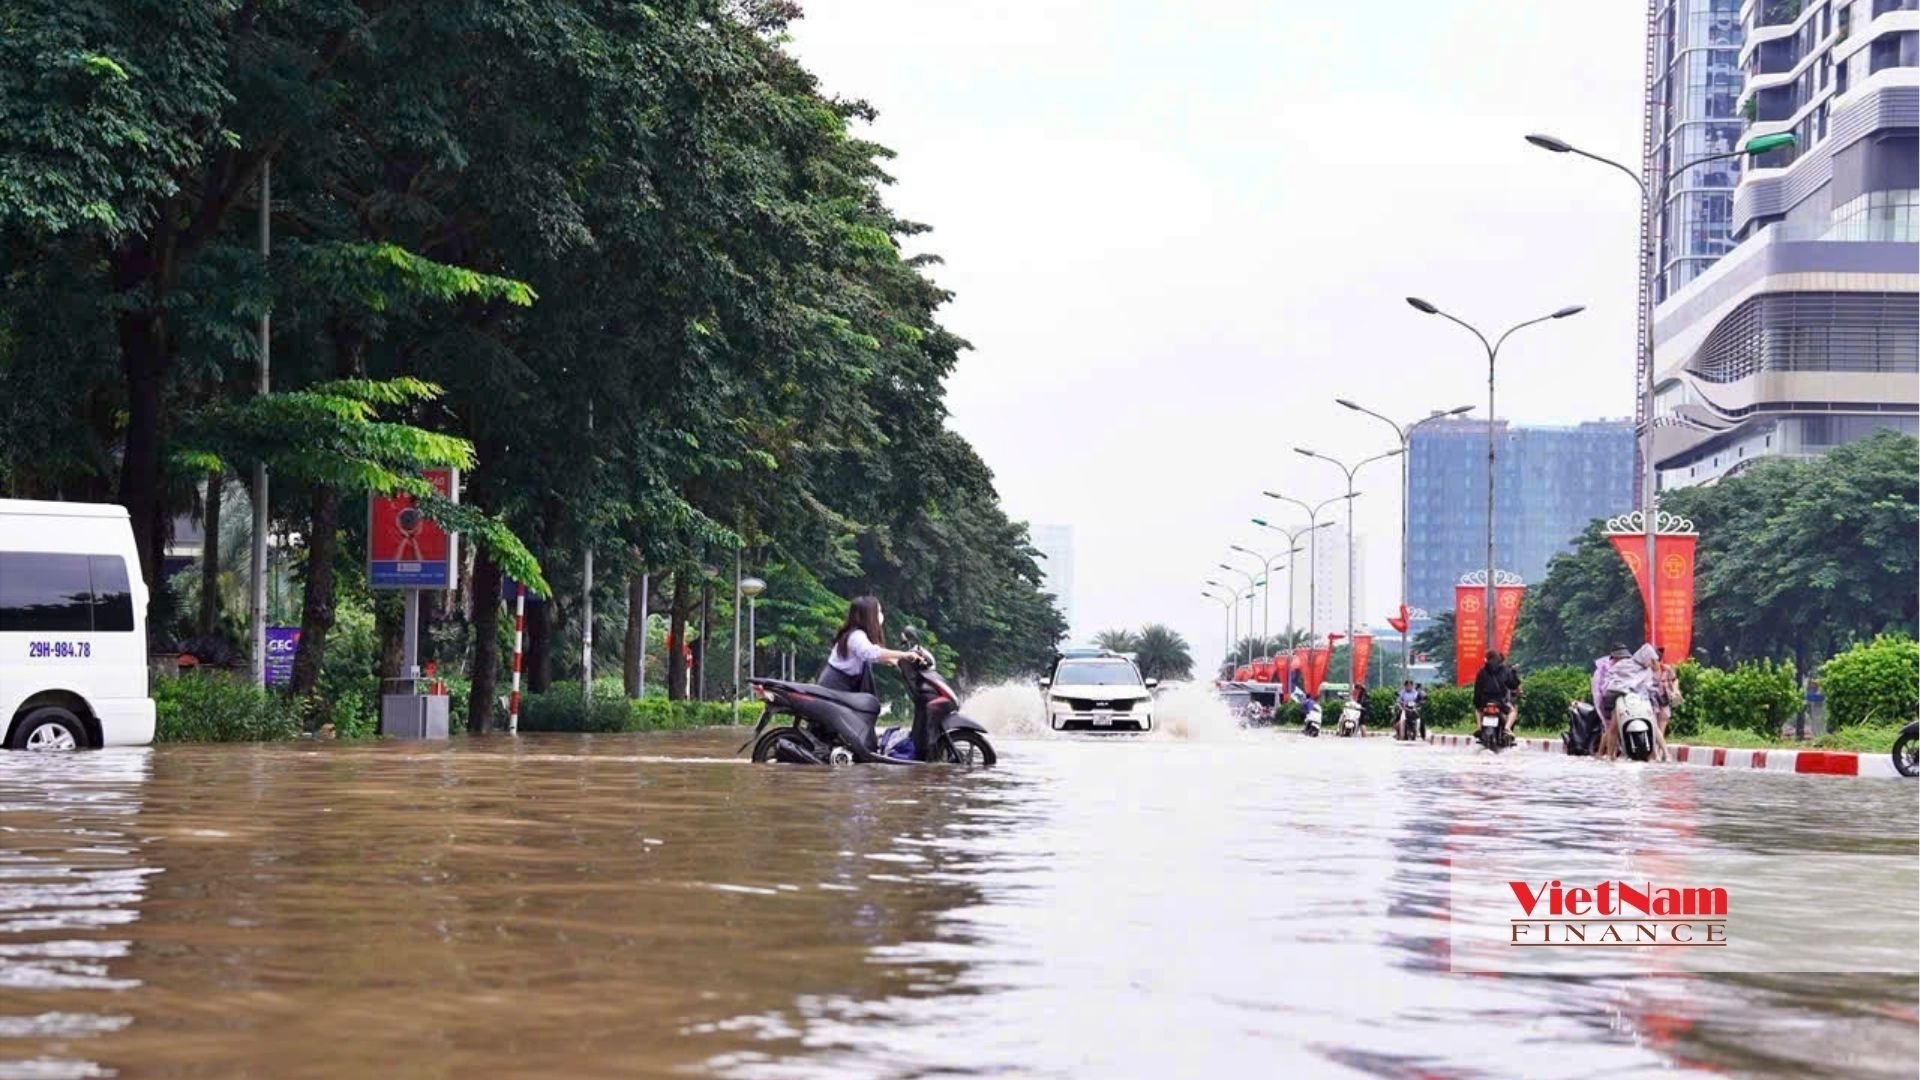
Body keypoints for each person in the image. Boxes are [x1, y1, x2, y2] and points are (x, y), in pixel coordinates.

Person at [819, 596, 921, 695]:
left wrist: (894, 661)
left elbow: (869, 655)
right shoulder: (856, 636)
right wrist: (904, 655)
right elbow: (871, 653)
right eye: (878, 612)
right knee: (869, 704)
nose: (881, 615)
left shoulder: (859, 634)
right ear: (869, 615)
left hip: (846, 685)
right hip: (836, 686)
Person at [1598, 643, 1660, 761]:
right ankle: (1610, 754)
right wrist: (1617, 687)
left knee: (1653, 725)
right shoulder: (1624, 665)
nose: (1651, 662)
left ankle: (1655, 754)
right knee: (1614, 727)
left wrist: (1655, 678)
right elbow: (1610, 678)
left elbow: (1652, 685)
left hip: (1641, 702)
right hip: (1623, 700)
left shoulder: (1647, 670)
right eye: (1650, 659)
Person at [1473, 650, 1521, 734]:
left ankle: (1479, 727)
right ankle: (1507, 728)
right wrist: (1514, 673)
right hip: (1500, 701)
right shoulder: (1505, 671)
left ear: (1487, 659)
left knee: (1477, 710)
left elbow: (1477, 690)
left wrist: (1477, 703)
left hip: (1485, 701)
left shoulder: (1482, 672)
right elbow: (1513, 684)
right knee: (1512, 711)